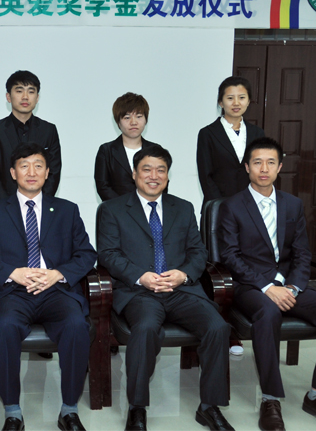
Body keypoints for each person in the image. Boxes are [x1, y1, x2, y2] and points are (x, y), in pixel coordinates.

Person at [218, 137, 316, 431]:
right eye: (257, 162)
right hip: (250, 286)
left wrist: (293, 287)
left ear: (280, 167)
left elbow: (302, 252)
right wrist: (268, 287)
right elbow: (230, 256)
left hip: (290, 285)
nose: (264, 169)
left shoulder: (292, 204)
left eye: (271, 162)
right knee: (268, 312)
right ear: (247, 167)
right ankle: (270, 399)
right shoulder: (231, 206)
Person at [96, 144, 233, 431]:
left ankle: (209, 406)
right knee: (145, 329)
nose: (154, 176)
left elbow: (198, 251)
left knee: (218, 327)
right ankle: (137, 408)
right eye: (146, 169)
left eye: (161, 170)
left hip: (181, 290)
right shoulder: (111, 209)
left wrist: (184, 274)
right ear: (134, 174)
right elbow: (108, 254)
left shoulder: (182, 208)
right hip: (139, 292)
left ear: (168, 176)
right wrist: (141, 276)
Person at [0, 142, 97, 431]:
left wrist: (57, 274)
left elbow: (87, 254)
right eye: (24, 166)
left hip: (56, 291)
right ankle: (13, 412)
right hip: (12, 293)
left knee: (76, 326)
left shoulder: (66, 210)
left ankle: (69, 410)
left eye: (38, 166)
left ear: (48, 172)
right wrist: (12, 272)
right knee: (4, 328)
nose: (31, 172)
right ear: (13, 173)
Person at [0, 70, 61, 201]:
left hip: (39, 207)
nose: (25, 97)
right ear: (8, 97)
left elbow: (53, 172)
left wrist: (37, 203)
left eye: (31, 91)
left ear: (37, 97)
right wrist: (9, 206)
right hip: (3, 207)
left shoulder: (49, 130)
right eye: (19, 91)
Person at [196, 76, 266, 206]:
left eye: (242, 97)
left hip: (250, 203)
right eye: (230, 98)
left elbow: (261, 168)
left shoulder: (257, 133)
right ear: (221, 102)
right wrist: (220, 204)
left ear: (248, 101)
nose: (236, 103)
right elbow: (205, 175)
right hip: (219, 204)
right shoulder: (207, 133)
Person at [94, 92, 158, 201]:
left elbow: (161, 183)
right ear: (118, 122)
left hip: (149, 208)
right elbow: (103, 187)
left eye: (139, 116)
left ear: (146, 120)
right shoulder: (106, 151)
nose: (134, 122)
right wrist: (125, 207)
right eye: (127, 117)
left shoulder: (155, 150)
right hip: (116, 210)